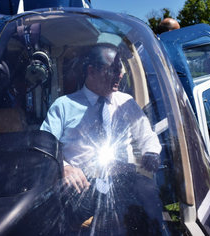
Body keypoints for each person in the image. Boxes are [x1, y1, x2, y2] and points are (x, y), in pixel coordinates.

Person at [40, 45, 164, 234]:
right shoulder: (63, 106)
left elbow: (146, 134)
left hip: (122, 179)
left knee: (148, 191)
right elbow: (45, 147)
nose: (120, 75)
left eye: (120, 69)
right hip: (83, 184)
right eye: (113, 70)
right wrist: (63, 167)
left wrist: (151, 151)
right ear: (92, 71)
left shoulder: (127, 102)